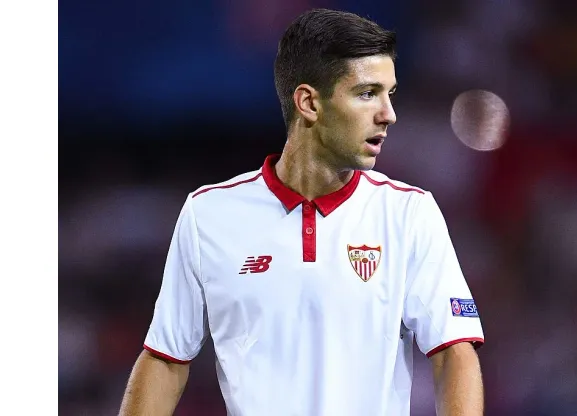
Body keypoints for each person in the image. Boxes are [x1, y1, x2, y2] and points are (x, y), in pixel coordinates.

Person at [119, 8, 485, 416]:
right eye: (367, 94)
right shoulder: (208, 214)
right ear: (309, 102)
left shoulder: (409, 213)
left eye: (390, 93)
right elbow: (166, 359)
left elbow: (454, 351)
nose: (388, 114)